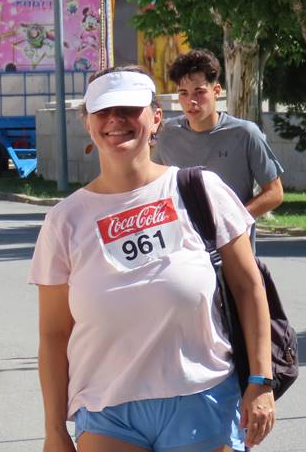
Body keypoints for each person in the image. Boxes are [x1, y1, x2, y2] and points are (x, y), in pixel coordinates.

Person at [31, 67, 275, 452]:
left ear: (156, 116)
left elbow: (248, 288)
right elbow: (53, 334)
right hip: (107, 408)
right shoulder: (65, 220)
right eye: (104, 111)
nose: (116, 120)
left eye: (130, 109)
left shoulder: (200, 189)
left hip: (203, 395)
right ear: (89, 123)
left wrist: (261, 382)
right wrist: (54, 430)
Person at [153, 49, 284, 229]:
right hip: (184, 250)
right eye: (183, 93)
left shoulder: (245, 133)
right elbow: (154, 188)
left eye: (199, 92)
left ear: (216, 90)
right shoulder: (167, 133)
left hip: (234, 250)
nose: (191, 101)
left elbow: (275, 193)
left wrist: (232, 221)